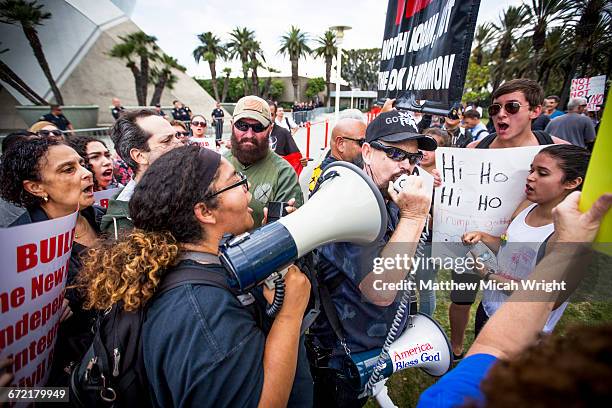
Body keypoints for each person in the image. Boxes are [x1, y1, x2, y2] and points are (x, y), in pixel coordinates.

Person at [78, 145, 313, 407]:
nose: (247, 189)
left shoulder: (180, 262)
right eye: (236, 181)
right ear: (205, 212)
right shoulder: (202, 311)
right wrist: (289, 315)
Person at [418, 190, 612, 407]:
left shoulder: (454, 398)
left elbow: (496, 348)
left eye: (543, 172)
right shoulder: (525, 209)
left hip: (520, 324)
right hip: (497, 310)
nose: (531, 178)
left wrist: (564, 248)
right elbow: (495, 349)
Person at [307, 110, 439, 407]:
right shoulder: (343, 202)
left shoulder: (389, 194)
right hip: (340, 358)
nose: (405, 166)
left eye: (413, 158)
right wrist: (415, 215)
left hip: (371, 348)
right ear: (367, 151)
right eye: (394, 153)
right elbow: (380, 289)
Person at [449, 79, 569, 361]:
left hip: (525, 244)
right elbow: (453, 183)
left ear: (535, 111)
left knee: (519, 303)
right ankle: (456, 350)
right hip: (474, 240)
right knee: (462, 297)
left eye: (512, 107)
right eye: (495, 108)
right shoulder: (478, 147)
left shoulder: (555, 147)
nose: (501, 114)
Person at [0, 137, 105, 385]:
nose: (87, 172)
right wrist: (38, 318)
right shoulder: (20, 254)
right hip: (71, 383)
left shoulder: (105, 218)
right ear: (36, 188)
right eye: (68, 169)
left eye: (82, 163)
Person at [462, 145, 590, 337]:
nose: (530, 177)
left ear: (572, 182)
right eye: (531, 170)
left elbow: (547, 298)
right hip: (489, 308)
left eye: (543, 173)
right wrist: (485, 237)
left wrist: (489, 276)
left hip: (522, 330)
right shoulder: (526, 205)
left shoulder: (569, 235)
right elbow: (512, 250)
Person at [225, 95, 304, 228]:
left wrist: (269, 232)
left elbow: (286, 235)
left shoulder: (283, 173)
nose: (249, 135)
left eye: (258, 127)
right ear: (232, 125)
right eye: (242, 126)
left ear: (269, 128)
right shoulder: (218, 165)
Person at [101, 109, 182, 238]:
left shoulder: (191, 182)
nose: (180, 144)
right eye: (167, 141)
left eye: (177, 136)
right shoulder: (124, 219)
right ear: (139, 156)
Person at [414, 128, 451, 317]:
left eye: (433, 147)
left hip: (428, 243)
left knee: (425, 286)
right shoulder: (409, 169)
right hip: (406, 239)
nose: (425, 152)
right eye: (423, 146)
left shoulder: (448, 180)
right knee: (405, 287)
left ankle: (426, 323)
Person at [308, 117, 367, 194]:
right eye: (362, 142)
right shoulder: (339, 179)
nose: (366, 149)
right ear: (340, 144)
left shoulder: (327, 168)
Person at [268, 101, 306, 176]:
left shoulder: (284, 132)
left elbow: (295, 157)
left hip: (277, 178)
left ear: (275, 116)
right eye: (265, 114)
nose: (268, 117)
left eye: (271, 115)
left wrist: (301, 161)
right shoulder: (251, 133)